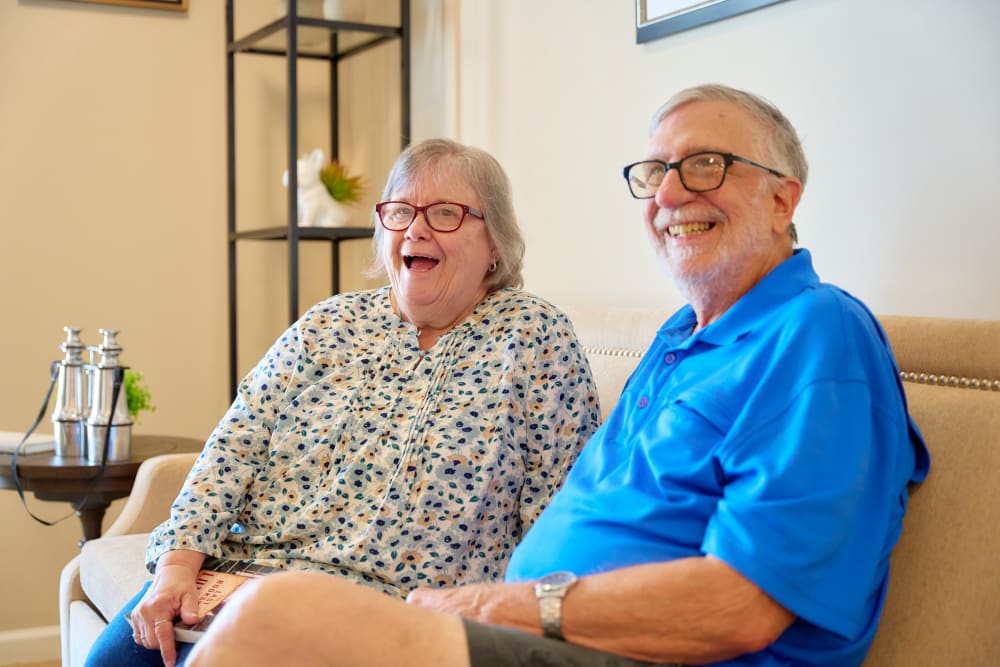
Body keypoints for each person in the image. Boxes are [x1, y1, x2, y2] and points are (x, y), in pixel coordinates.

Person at [184, 84, 930, 667]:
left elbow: (744, 606)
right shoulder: (679, 342)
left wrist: (499, 606)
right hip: (539, 637)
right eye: (656, 173)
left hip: (633, 654)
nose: (670, 195)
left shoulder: (817, 332)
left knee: (280, 615)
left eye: (706, 165)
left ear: (783, 197)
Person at [84, 138, 601, 667]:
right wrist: (175, 569)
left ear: (495, 243)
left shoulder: (534, 337)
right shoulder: (328, 324)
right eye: (400, 212)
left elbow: (559, 510)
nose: (415, 229)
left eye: (445, 213)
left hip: (387, 612)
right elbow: (232, 450)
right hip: (239, 577)